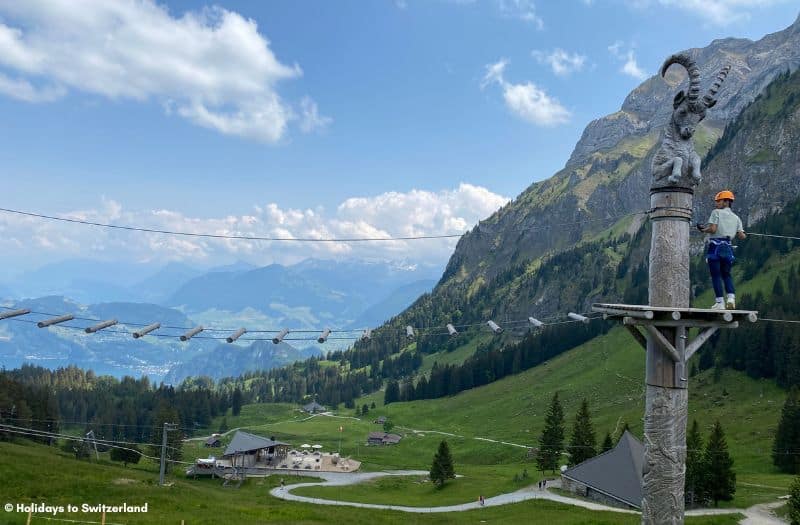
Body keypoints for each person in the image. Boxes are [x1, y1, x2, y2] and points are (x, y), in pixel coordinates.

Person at [697, 190, 746, 309]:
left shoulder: (716, 213)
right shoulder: (736, 218)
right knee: (727, 274)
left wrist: (703, 230)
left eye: (719, 201)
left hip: (715, 246)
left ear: (726, 202)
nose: (716, 204)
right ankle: (731, 298)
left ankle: (720, 303)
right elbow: (742, 236)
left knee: (716, 275)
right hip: (728, 247)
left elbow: (713, 229)